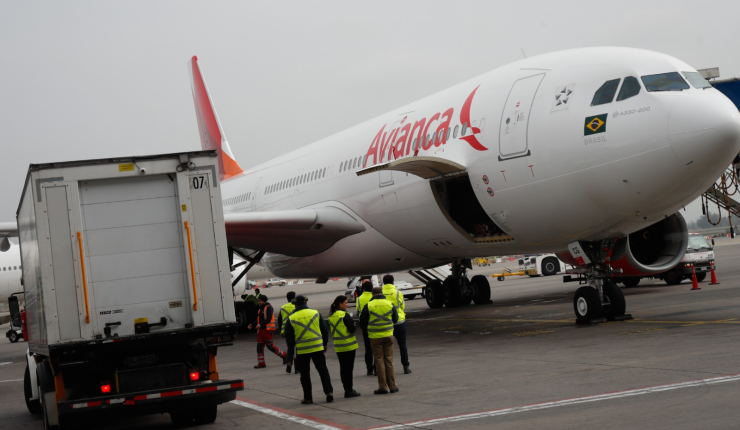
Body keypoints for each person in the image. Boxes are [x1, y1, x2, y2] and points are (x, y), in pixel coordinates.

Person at [285, 295, 334, 404]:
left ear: (295, 305)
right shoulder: (316, 313)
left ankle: (308, 398)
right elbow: (324, 329)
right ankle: (329, 392)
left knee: (305, 374)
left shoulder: (291, 318)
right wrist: (325, 344)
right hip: (317, 347)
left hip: (302, 350)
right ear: (306, 303)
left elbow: (289, 338)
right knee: (323, 371)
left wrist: (291, 352)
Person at [360, 286, 399, 394]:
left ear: (372, 294)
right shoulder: (389, 304)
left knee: (379, 361)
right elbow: (395, 319)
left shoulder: (369, 305)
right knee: (389, 361)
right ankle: (393, 386)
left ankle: (383, 387)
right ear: (382, 293)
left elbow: (362, 322)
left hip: (375, 337)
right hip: (388, 335)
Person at [328, 296, 361, 398]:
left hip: (339, 347)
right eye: (345, 303)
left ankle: (347, 389)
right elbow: (352, 329)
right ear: (340, 304)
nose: (347, 305)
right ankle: (349, 390)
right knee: (349, 369)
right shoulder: (344, 315)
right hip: (349, 346)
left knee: (343, 369)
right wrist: (354, 325)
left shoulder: (332, 316)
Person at [382, 274, 411, 374]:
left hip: (386, 323)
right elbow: (402, 306)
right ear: (393, 282)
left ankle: (386, 368)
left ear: (383, 283)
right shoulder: (398, 293)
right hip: (399, 322)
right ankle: (406, 366)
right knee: (402, 345)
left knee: (385, 347)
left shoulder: (380, 294)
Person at [248, 295, 288, 369]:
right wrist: (252, 324)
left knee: (270, 346)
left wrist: (260, 324)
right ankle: (261, 363)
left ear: (264, 301)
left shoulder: (269, 307)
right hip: (260, 331)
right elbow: (258, 319)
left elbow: (269, 318)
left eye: (260, 301)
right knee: (259, 347)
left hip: (267, 330)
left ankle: (284, 355)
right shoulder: (260, 308)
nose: (259, 302)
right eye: (258, 301)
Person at [356, 278, 375, 376]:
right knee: (377, 348)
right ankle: (376, 367)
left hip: (365, 326)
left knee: (368, 348)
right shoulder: (374, 297)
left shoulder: (359, 299)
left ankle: (369, 369)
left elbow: (358, 310)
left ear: (363, 289)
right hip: (375, 325)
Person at [277, 291, 298, 374]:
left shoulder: (283, 307)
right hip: (296, 330)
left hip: (286, 331)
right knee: (297, 348)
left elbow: (279, 320)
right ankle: (297, 368)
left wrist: (281, 330)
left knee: (290, 347)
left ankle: (289, 362)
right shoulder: (296, 306)